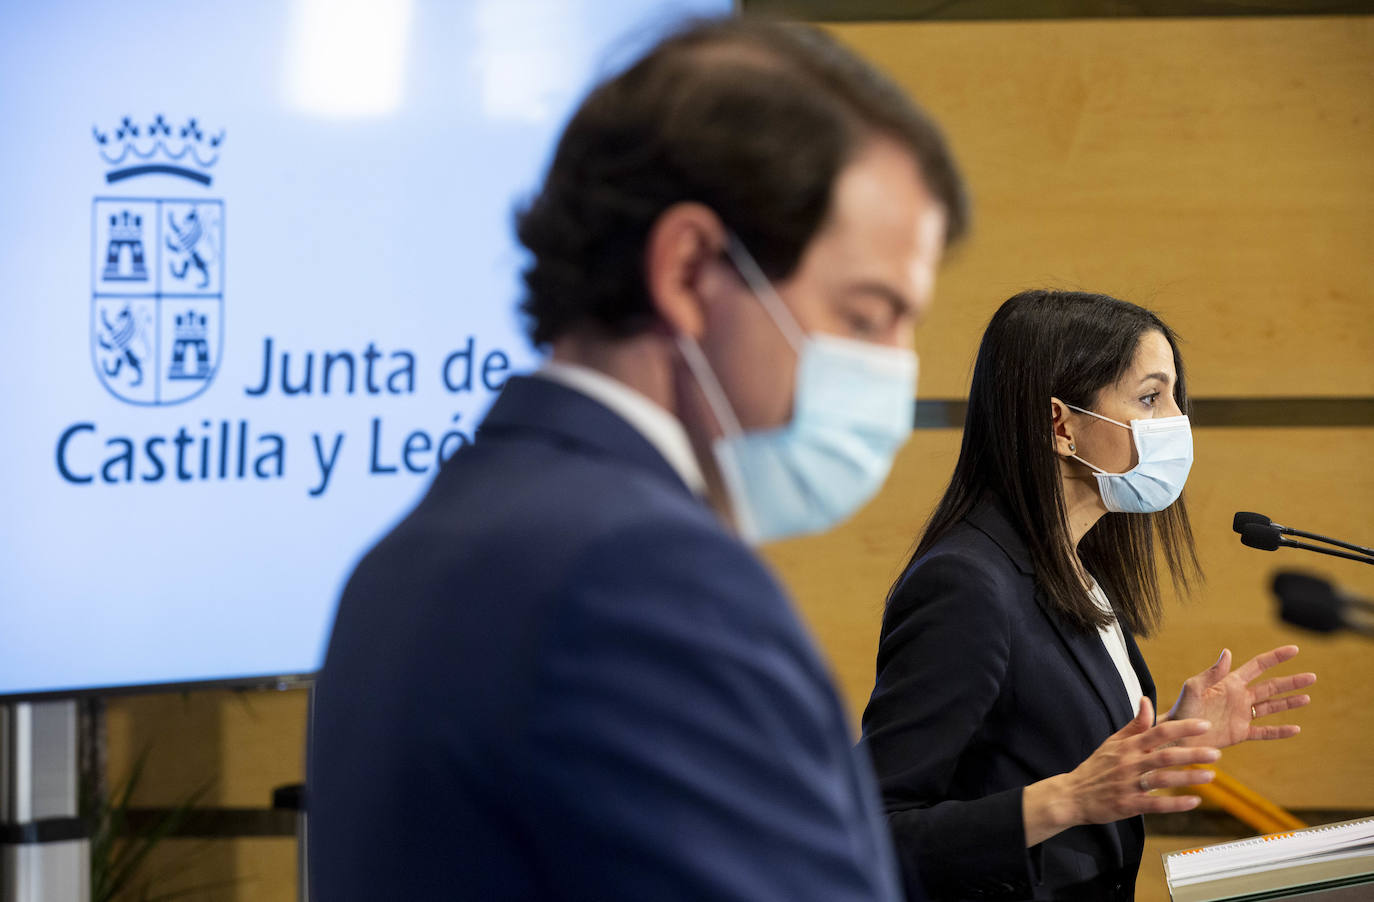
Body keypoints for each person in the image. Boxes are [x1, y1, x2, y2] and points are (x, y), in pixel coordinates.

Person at [309, 17, 969, 901]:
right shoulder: (650, 582)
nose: (895, 366)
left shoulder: (414, 552)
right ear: (690, 271)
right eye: (863, 315)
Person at [860, 290, 1317, 902]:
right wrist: (1064, 800)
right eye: (1151, 398)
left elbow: (1065, 757)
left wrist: (1169, 738)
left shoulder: (1075, 567)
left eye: (1175, 397)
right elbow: (870, 827)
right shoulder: (965, 584)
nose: (1177, 422)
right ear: (1061, 424)